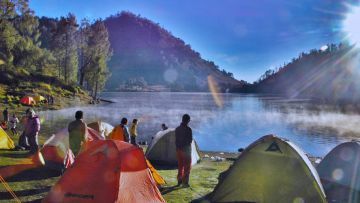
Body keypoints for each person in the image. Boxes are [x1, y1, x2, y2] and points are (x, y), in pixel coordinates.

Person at [175, 114, 193, 188]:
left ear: (182, 119)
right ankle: (185, 182)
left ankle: (179, 180)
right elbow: (190, 140)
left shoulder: (177, 129)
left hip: (179, 150)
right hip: (186, 150)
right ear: (188, 120)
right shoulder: (189, 129)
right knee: (187, 166)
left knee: (180, 165)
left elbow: (176, 140)